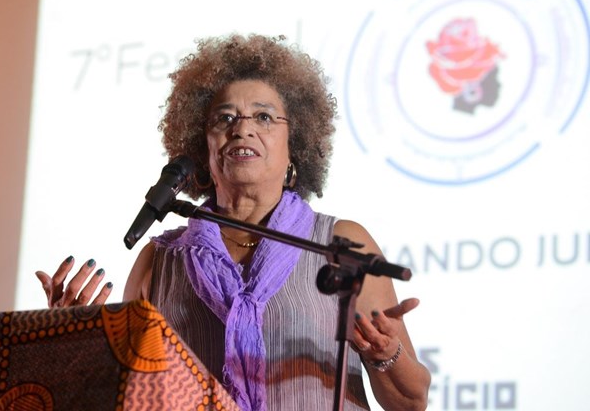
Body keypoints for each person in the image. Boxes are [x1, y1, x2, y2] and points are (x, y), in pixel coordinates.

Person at [36, 34, 430, 411]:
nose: (242, 128)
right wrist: (76, 339)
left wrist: (385, 353)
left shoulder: (340, 244)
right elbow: (125, 394)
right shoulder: (159, 262)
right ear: (201, 146)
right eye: (224, 118)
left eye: (264, 116)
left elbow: (411, 402)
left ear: (294, 145)